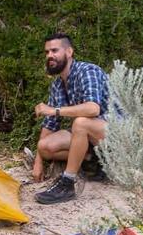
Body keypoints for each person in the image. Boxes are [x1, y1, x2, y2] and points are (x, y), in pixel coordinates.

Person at [31, 33, 110, 205]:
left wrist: (54, 110)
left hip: (117, 133)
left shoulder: (88, 71)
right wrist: (38, 161)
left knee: (80, 123)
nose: (49, 55)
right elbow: (50, 124)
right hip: (92, 137)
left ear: (69, 52)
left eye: (54, 50)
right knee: (45, 147)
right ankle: (93, 160)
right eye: (46, 52)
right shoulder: (58, 84)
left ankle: (67, 184)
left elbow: (93, 108)